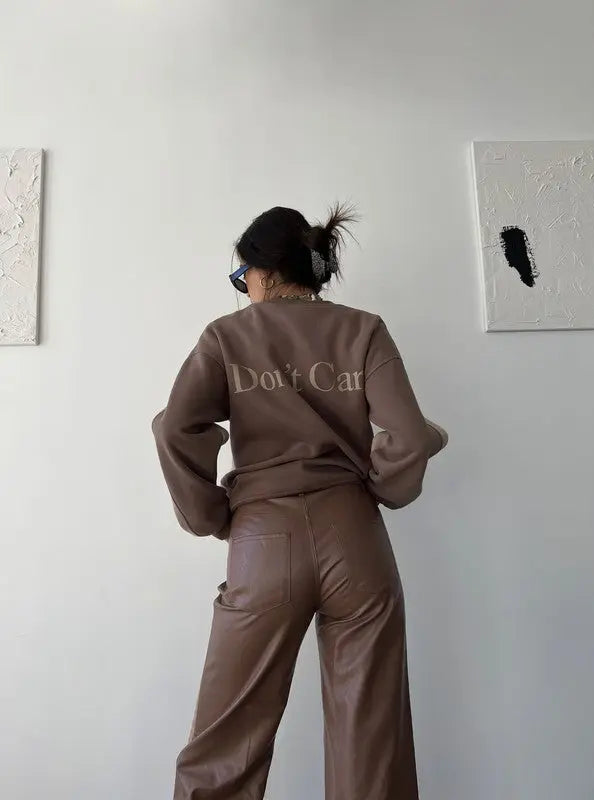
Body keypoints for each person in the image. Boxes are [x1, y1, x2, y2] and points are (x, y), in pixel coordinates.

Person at [152, 203, 448, 800]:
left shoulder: (227, 336)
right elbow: (411, 436)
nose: (245, 290)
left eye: (242, 278)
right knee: (372, 745)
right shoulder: (364, 329)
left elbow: (173, 428)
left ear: (262, 271)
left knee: (225, 745)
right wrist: (386, 488)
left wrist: (211, 516)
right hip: (356, 538)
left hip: (263, 541)